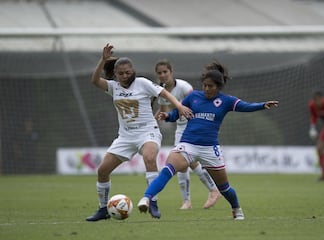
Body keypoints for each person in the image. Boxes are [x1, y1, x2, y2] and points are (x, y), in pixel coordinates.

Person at [137, 64, 279, 220]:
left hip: (210, 149)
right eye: (204, 85)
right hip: (188, 144)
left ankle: (236, 208)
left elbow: (245, 106)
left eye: (210, 86)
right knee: (167, 170)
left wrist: (262, 105)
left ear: (218, 86)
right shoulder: (193, 97)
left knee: (224, 188)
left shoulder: (226, 101)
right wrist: (168, 116)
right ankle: (147, 198)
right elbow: (177, 113)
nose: (206, 88)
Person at [86, 43, 192, 221]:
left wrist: (180, 106)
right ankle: (103, 209)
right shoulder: (114, 87)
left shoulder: (142, 83)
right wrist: (103, 60)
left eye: (128, 72)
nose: (125, 76)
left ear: (132, 70)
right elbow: (95, 81)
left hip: (147, 132)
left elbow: (165, 94)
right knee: (102, 171)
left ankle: (153, 203)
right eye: (121, 73)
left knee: (149, 158)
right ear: (116, 74)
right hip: (125, 137)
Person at [154, 59, 221, 210]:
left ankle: (212, 190)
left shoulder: (184, 87)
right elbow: (164, 109)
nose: (163, 75)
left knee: (186, 162)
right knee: (182, 165)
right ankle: (189, 201)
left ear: (172, 72)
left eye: (165, 72)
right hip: (180, 127)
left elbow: (197, 102)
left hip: (192, 126)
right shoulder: (161, 91)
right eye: (159, 73)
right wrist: (153, 122)